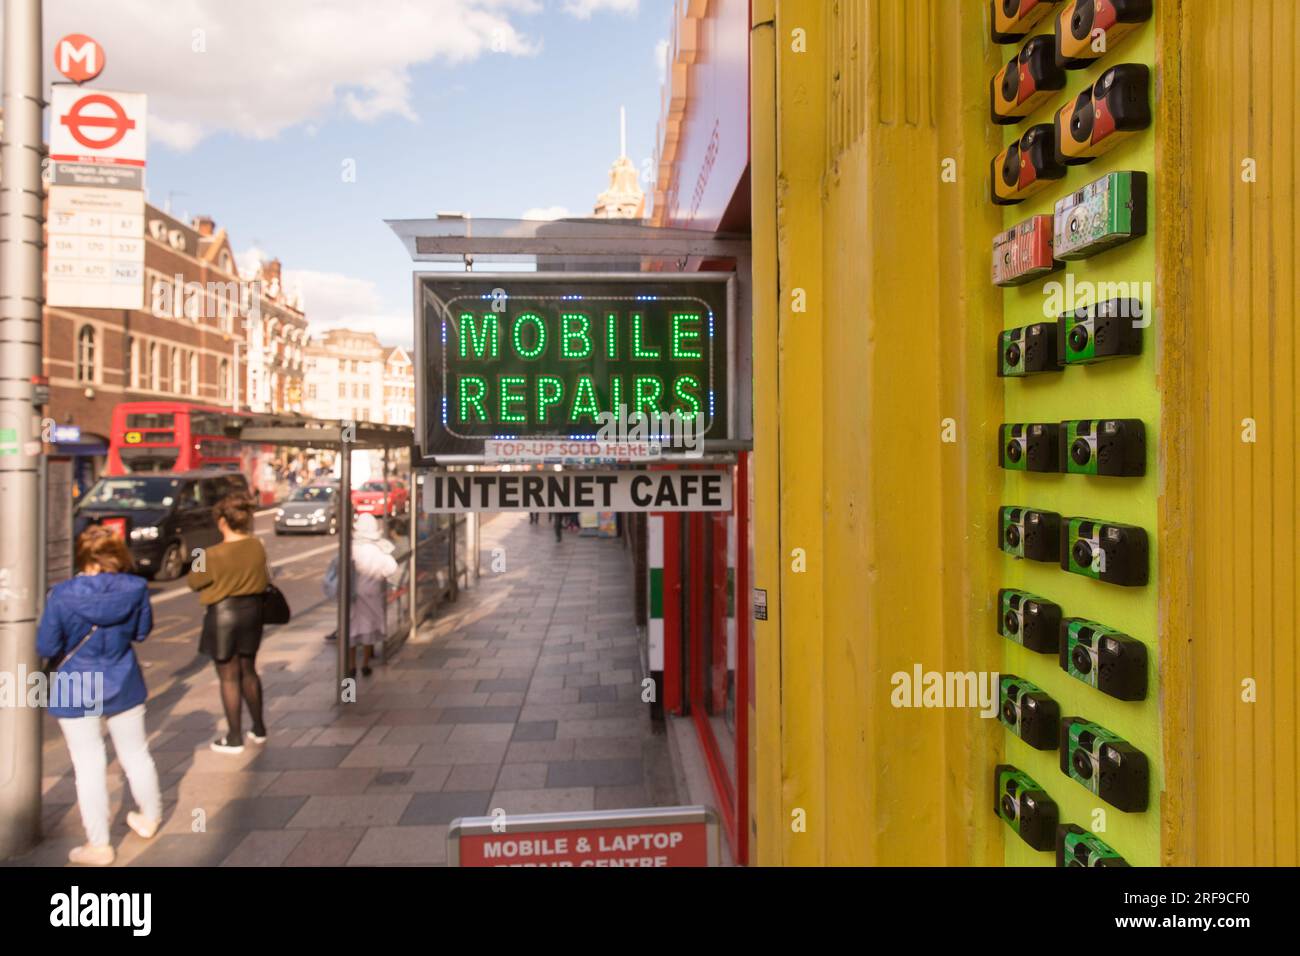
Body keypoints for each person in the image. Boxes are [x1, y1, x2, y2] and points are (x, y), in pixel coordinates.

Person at [38, 526, 162, 866]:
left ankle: (99, 844)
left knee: (88, 765)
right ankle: (149, 817)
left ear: (82, 556)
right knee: (136, 754)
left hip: (77, 683)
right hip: (122, 678)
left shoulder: (61, 595)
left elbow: (47, 646)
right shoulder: (136, 588)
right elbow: (141, 632)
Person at [188, 492, 270, 754]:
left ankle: (234, 737)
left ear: (222, 521)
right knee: (249, 670)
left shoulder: (209, 553)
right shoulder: (257, 545)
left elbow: (194, 582)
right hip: (252, 614)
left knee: (228, 677)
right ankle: (258, 728)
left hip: (222, 616)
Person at [346, 513, 400, 678]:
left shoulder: (351, 548)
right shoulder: (378, 549)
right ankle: (365, 664)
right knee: (369, 628)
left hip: (352, 594)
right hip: (373, 594)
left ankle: (351, 666)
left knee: (353, 629)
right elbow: (391, 568)